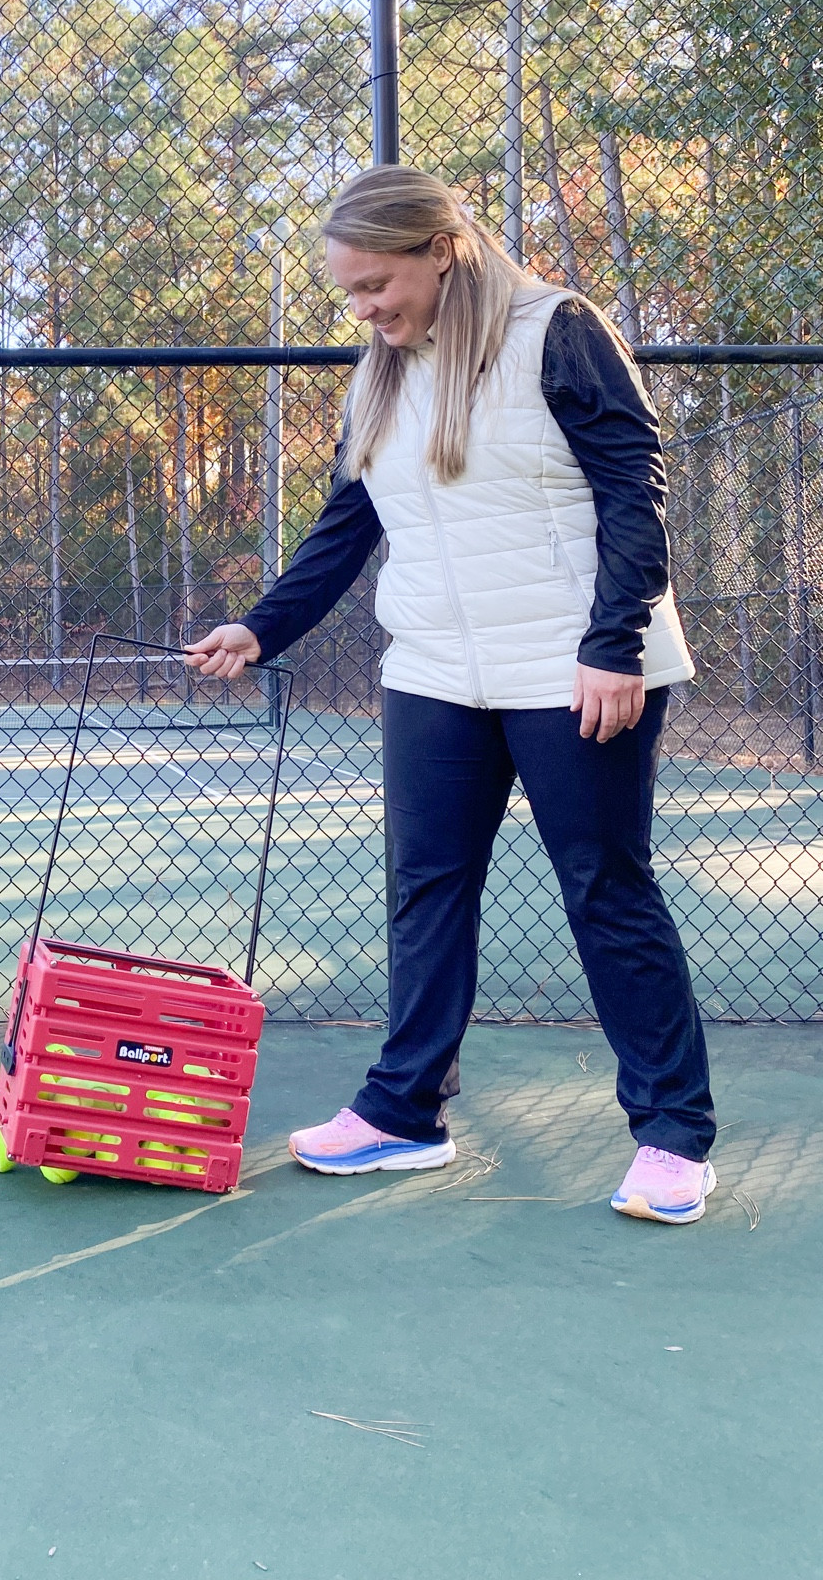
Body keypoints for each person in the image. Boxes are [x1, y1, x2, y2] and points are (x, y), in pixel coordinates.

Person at [186, 165, 718, 1225]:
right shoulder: (379, 370)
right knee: (426, 888)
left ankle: (672, 1135)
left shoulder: (559, 328)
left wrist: (613, 642)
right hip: (433, 669)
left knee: (606, 891)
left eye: (376, 284)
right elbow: (352, 519)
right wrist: (264, 623)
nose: (366, 309)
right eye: (349, 293)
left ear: (441, 249)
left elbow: (633, 487)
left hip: (577, 664)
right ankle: (403, 1110)